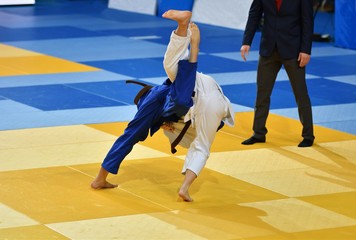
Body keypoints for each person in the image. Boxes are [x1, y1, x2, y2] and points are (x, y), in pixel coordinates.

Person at [91, 10, 235, 202]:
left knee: (133, 133)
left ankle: (100, 178)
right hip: (215, 102)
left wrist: (195, 45)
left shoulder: (157, 98)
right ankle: (185, 188)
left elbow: (188, 72)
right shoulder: (165, 94)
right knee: (201, 146)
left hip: (195, 96)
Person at [240, 0, 315, 147]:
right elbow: (254, 15)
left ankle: (308, 135)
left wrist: (306, 50)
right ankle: (258, 133)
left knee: (300, 93)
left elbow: (308, 21)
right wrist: (246, 41)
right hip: (268, 49)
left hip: (293, 50)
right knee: (262, 93)